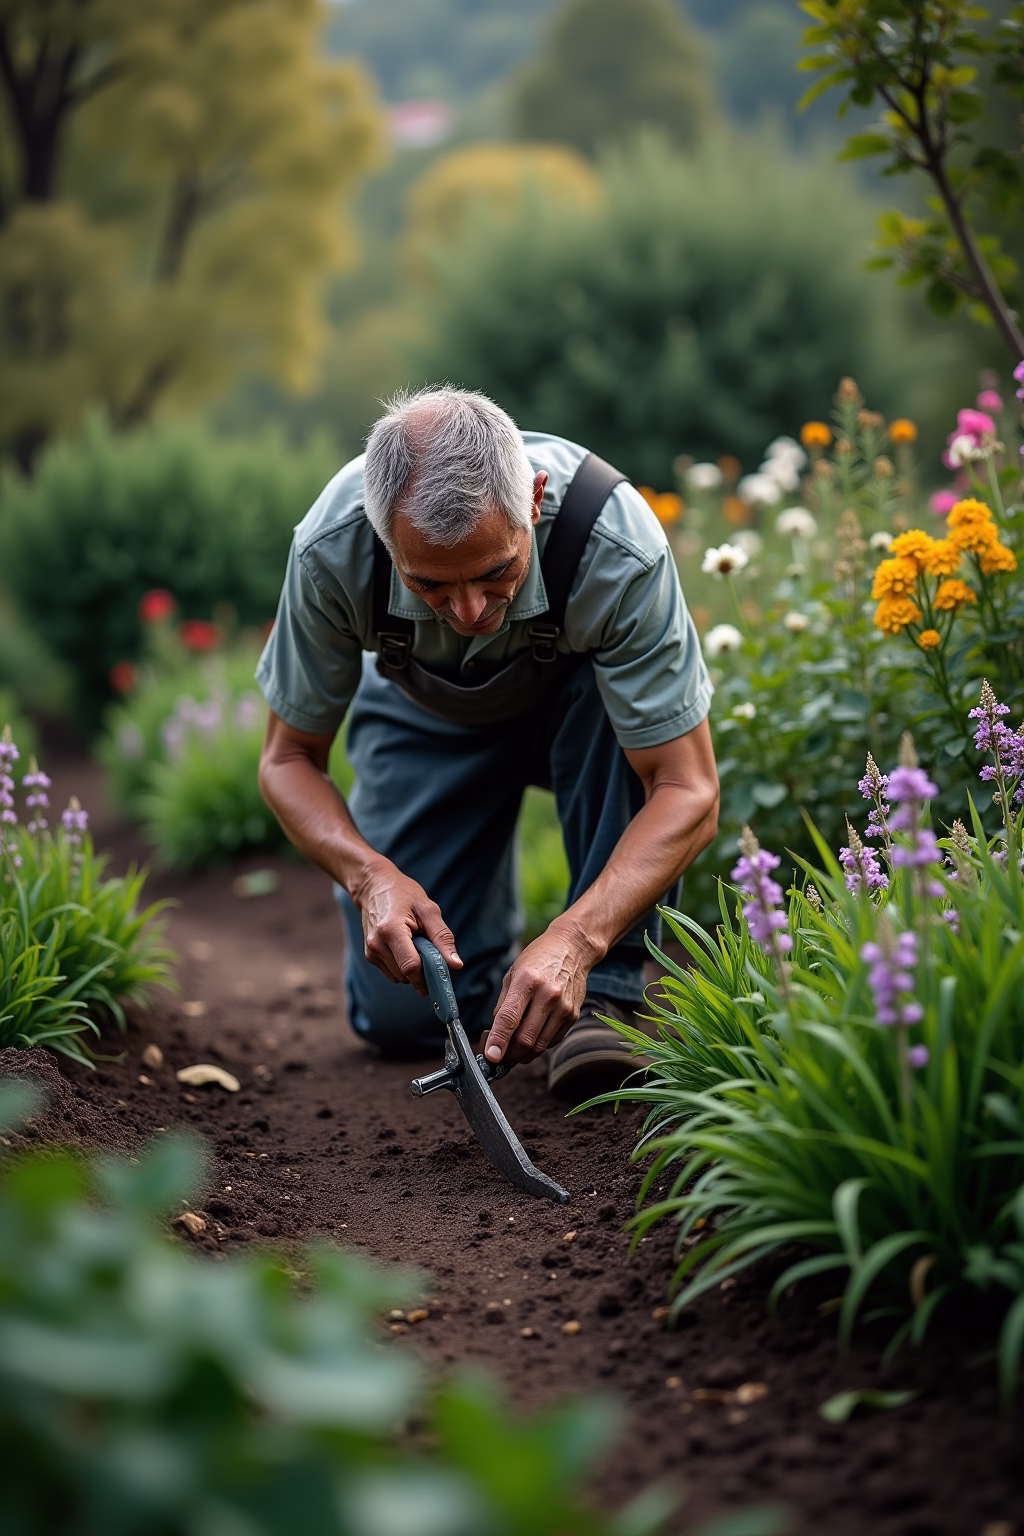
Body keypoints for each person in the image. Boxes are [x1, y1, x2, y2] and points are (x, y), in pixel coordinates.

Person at [256, 386, 719, 1097]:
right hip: (424, 717)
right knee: (404, 1015)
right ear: (384, 535)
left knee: (619, 711)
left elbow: (686, 787)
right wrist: (369, 876)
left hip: (583, 715)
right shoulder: (332, 548)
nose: (470, 611)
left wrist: (579, 939)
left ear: (533, 500)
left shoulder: (613, 541)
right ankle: (499, 987)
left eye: (497, 571)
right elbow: (287, 759)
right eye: (430, 584)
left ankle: (605, 994)